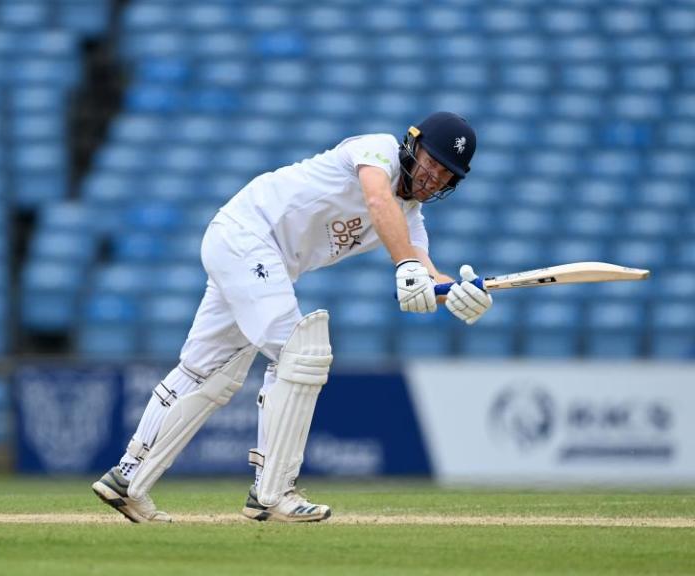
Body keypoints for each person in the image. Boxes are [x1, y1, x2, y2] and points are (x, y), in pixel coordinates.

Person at [92, 111, 493, 523]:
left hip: (252, 252)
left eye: (446, 173)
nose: (433, 176)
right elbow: (378, 200)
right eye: (431, 161)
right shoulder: (377, 150)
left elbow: (425, 270)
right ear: (412, 145)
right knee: (301, 353)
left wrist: (457, 293)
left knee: (207, 371)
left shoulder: (410, 219)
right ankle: (272, 494)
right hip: (249, 236)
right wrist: (405, 263)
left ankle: (127, 478)